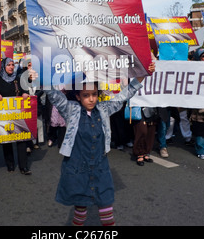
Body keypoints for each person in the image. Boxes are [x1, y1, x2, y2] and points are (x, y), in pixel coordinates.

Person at [46, 66, 150, 226]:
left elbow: (123, 96)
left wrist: (142, 76)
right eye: (86, 95)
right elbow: (54, 96)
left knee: (107, 210)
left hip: (101, 168)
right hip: (77, 168)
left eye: (94, 94)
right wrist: (40, 77)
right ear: (78, 97)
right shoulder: (71, 110)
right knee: (80, 212)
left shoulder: (103, 109)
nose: (91, 99)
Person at [0, 57, 32, 175]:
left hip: (18, 113)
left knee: (22, 140)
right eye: (8, 65)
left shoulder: (18, 78)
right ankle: (10, 164)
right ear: (3, 67)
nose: (11, 67)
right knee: (7, 140)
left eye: (12, 65)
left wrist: (25, 93)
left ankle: (23, 166)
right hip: (4, 115)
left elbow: (25, 90)